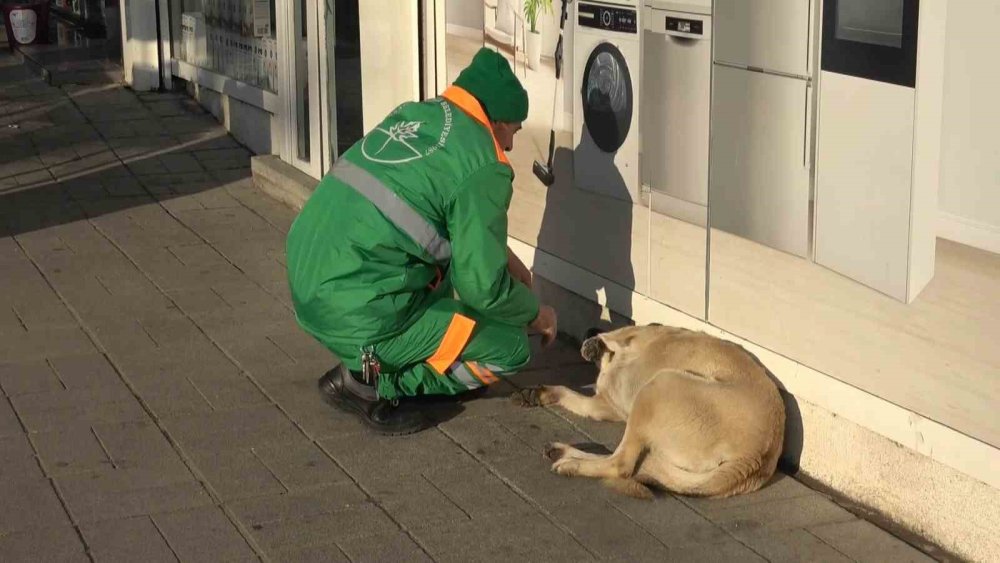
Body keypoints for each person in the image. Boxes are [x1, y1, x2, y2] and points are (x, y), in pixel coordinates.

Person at [285, 48, 559, 436]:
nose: (512, 146)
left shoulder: (418, 114)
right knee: (511, 346)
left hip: (310, 282)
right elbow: (482, 288)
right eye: (514, 130)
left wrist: (509, 261)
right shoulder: (484, 164)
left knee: (447, 277)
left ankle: (365, 361)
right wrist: (535, 313)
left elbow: (440, 221)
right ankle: (377, 385)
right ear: (495, 122)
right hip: (357, 312)